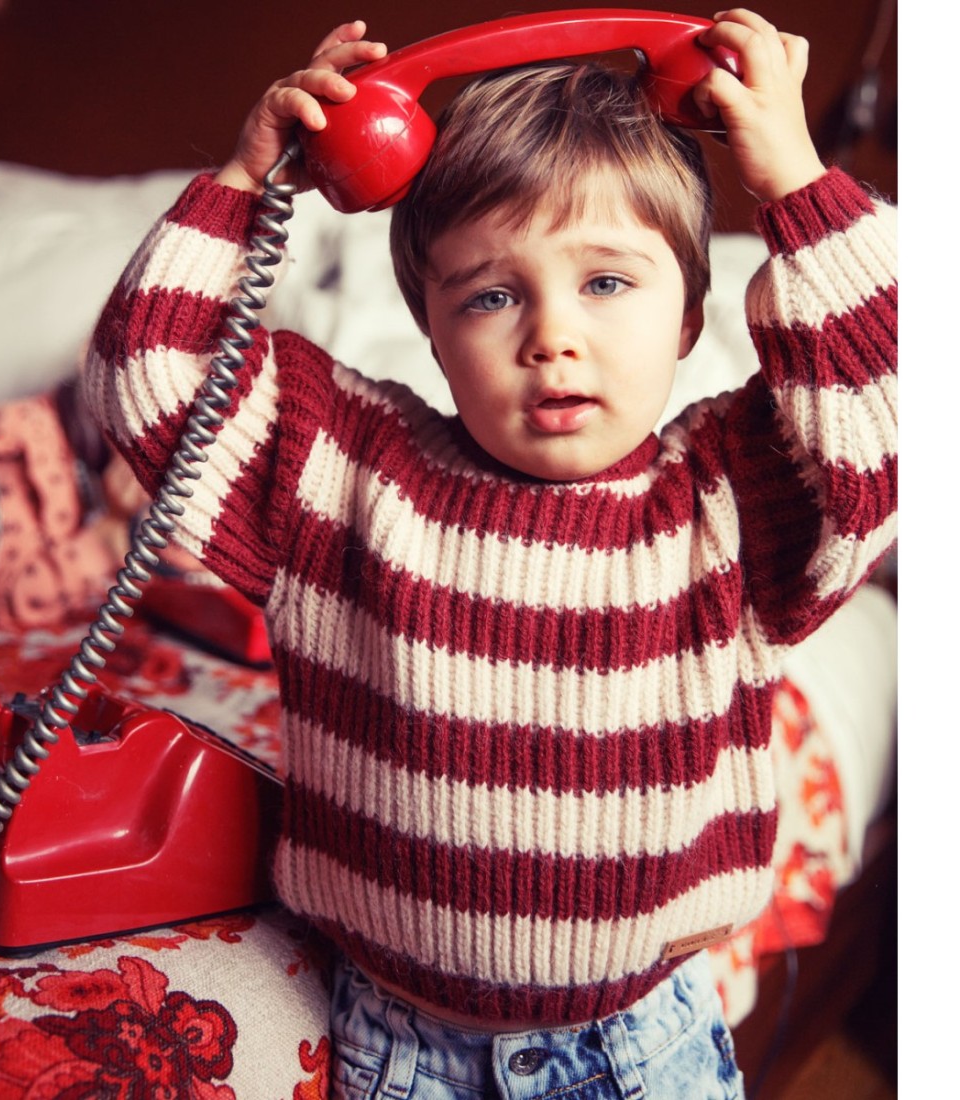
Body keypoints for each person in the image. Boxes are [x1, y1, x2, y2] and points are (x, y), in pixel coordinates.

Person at [83, 8, 897, 1097]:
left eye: (606, 282)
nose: (550, 336)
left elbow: (892, 421)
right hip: (399, 1048)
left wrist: (793, 178)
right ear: (431, 326)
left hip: (639, 1047)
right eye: (492, 294)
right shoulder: (341, 468)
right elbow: (147, 376)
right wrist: (244, 181)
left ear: (690, 316)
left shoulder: (732, 498)